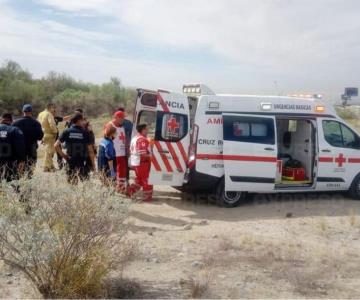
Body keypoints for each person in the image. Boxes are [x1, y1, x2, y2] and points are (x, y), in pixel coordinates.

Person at [54, 113, 96, 184]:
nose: (83, 121)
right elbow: (90, 151)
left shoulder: (67, 131)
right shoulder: (85, 133)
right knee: (85, 185)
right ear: (79, 121)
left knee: (72, 185)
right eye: (82, 120)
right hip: (82, 162)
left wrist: (64, 156)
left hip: (70, 161)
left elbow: (56, 145)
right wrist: (93, 165)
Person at [12, 104, 43, 177]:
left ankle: (19, 183)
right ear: (31, 112)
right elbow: (40, 137)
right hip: (32, 148)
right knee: (30, 169)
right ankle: (28, 183)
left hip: (18, 149)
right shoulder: (36, 123)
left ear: (23, 111)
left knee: (18, 169)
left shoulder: (16, 123)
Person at [105, 111, 128, 192]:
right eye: (122, 118)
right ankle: (114, 187)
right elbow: (106, 139)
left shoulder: (121, 126)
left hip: (122, 152)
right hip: (114, 153)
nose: (123, 119)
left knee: (122, 171)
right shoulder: (110, 125)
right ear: (117, 117)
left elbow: (123, 139)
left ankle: (121, 188)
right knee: (114, 171)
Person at [129, 124, 153, 201]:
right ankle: (147, 196)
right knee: (146, 179)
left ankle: (130, 192)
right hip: (142, 162)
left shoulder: (135, 138)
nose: (147, 131)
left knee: (139, 180)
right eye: (146, 129)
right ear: (143, 130)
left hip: (136, 162)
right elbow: (142, 153)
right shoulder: (142, 139)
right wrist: (151, 156)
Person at [0, 113, 26, 182]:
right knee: (13, 183)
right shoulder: (15, 130)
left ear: (1, 120)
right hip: (11, 163)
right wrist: (22, 160)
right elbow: (20, 146)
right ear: (11, 121)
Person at [38, 103, 58, 172]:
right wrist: (55, 132)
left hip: (43, 134)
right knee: (49, 152)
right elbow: (52, 124)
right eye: (53, 108)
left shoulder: (40, 114)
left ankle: (51, 166)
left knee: (48, 151)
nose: (54, 109)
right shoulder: (49, 114)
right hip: (50, 134)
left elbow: (38, 124)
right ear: (50, 107)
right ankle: (46, 167)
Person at [117, 107, 133, 181]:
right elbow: (132, 135)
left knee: (117, 164)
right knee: (125, 165)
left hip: (116, 148)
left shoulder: (113, 123)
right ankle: (126, 181)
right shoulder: (129, 123)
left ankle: (117, 181)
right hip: (125, 148)